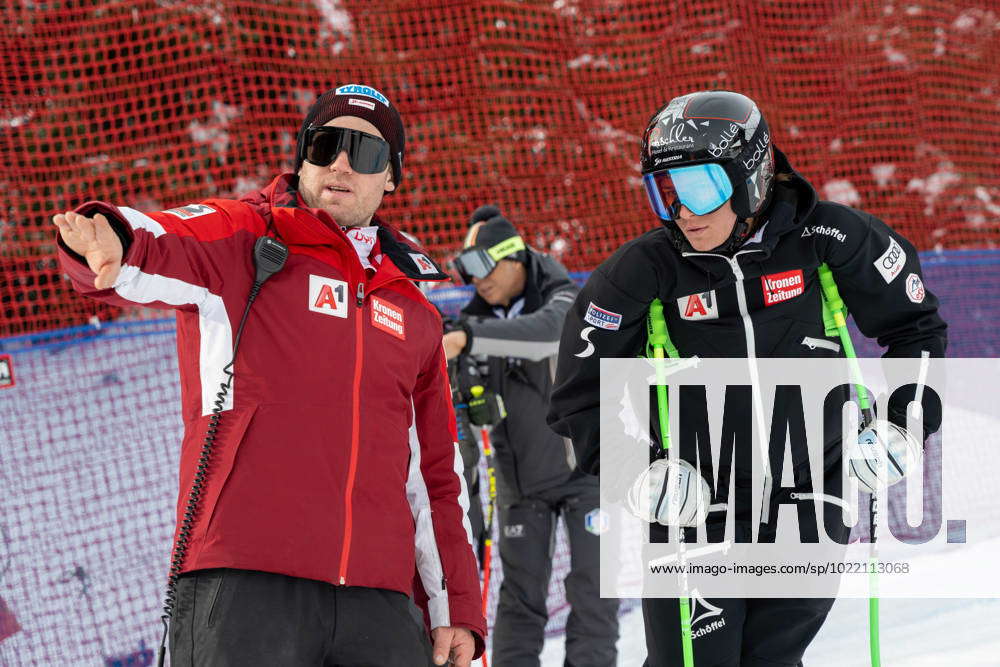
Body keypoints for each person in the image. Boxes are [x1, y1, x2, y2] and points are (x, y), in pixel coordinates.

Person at [52, 84, 486, 667]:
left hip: (377, 601)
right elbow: (162, 240)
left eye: (367, 153)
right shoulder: (246, 239)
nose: (340, 163)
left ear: (391, 178)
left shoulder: (413, 309)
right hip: (244, 582)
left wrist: (456, 606)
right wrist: (110, 239)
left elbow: (436, 475)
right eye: (327, 144)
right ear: (303, 154)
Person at [547, 90, 947, 666]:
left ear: (751, 176)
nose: (682, 211)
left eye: (698, 188)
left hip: (811, 499)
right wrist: (636, 474)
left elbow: (917, 328)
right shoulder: (641, 272)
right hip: (696, 509)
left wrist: (902, 425)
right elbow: (578, 399)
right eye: (664, 192)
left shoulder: (830, 239)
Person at [443, 206, 621, 666]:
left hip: (586, 474)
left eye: (482, 265)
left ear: (514, 258)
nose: (475, 279)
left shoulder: (562, 297)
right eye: (466, 268)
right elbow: (466, 419)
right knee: (519, 603)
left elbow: (551, 335)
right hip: (521, 483)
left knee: (593, 595)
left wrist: (470, 337)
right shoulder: (474, 319)